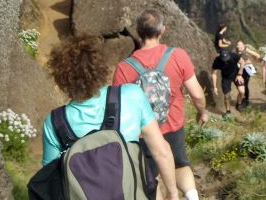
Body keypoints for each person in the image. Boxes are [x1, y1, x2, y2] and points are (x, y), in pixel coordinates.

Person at [41, 34, 179, 200]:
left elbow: (50, 180)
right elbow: (161, 151)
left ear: (61, 79)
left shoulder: (55, 122)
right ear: (100, 68)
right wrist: (172, 193)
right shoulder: (131, 95)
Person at [114, 8, 209, 200]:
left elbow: (119, 109)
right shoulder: (178, 55)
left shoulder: (124, 67)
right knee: (179, 164)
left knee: (150, 177)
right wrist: (202, 112)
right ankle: (192, 196)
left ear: (138, 32)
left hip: (143, 134)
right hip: (172, 125)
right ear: (162, 30)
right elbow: (197, 94)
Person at [211, 49, 240, 116]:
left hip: (236, 74)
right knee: (226, 95)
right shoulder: (217, 61)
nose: (225, 60)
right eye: (224, 59)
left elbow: (242, 62)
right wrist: (215, 87)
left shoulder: (233, 55)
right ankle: (228, 111)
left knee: (242, 91)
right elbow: (214, 73)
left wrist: (240, 74)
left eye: (226, 58)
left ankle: (239, 104)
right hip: (226, 77)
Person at [234, 39, 261, 110]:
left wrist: (252, 62)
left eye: (240, 44)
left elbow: (257, 56)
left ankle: (245, 100)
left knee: (245, 85)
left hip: (246, 70)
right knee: (240, 86)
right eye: (238, 45)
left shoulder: (246, 50)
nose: (239, 46)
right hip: (238, 70)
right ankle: (241, 99)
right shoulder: (234, 51)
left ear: (243, 45)